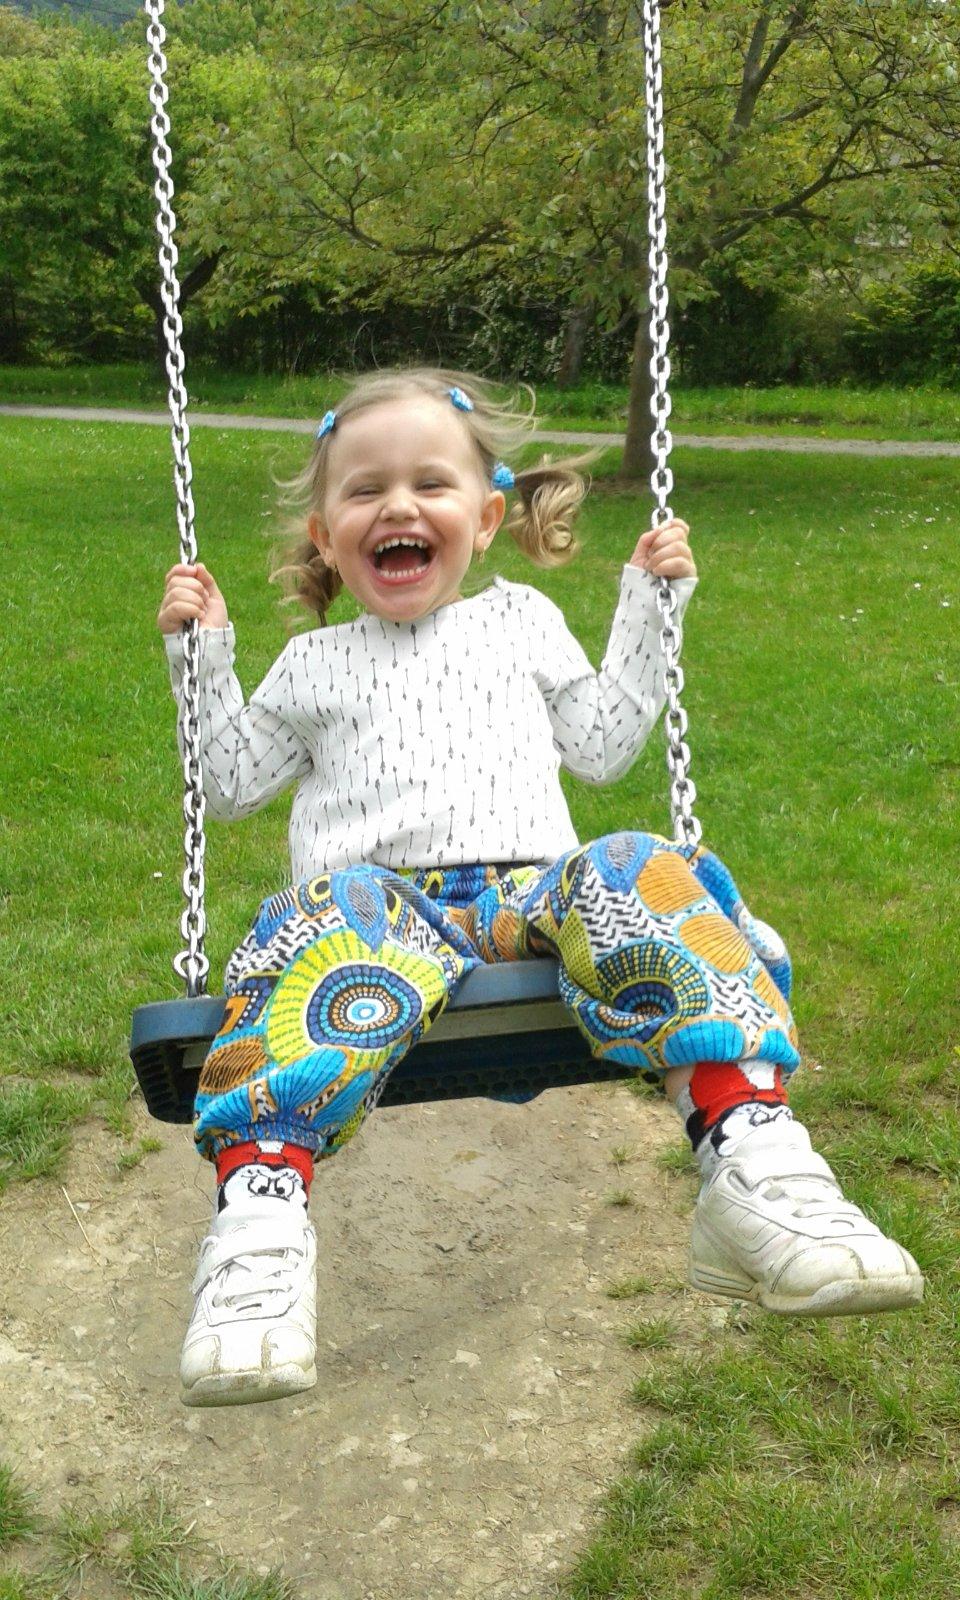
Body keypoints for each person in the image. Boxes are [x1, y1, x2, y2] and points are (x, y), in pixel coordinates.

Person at [159, 367, 922, 1408]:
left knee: (637, 862)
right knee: (311, 920)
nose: (397, 506)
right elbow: (232, 783)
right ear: (327, 536)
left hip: (536, 900)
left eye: (430, 483)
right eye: (365, 490)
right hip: (376, 915)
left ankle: (755, 1162)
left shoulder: (522, 620)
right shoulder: (310, 662)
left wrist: (650, 609)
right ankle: (259, 1230)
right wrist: (202, 657)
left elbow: (602, 746)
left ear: (485, 518)